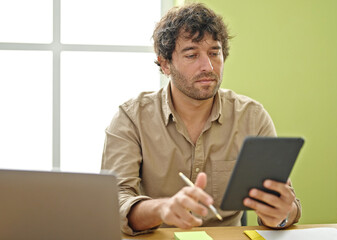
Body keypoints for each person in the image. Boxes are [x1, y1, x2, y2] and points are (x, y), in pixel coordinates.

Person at [101, 3, 301, 236]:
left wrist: (283, 214)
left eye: (214, 53)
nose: (207, 66)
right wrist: (162, 208)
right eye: (192, 54)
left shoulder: (252, 117)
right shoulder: (131, 118)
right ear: (165, 64)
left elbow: (284, 204)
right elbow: (114, 203)